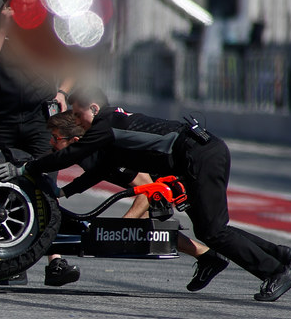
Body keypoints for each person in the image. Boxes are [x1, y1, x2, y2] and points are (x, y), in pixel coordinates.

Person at [0, 87, 291, 302]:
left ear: (93, 108)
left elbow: (69, 156)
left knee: (213, 231)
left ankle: (274, 271)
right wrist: (64, 191)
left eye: (78, 114)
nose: (78, 122)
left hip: (199, 155)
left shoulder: (105, 124)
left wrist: (29, 169)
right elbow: (100, 169)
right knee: (211, 228)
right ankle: (278, 254)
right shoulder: (110, 127)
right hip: (195, 156)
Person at [0, 0, 80, 287]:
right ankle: (9, 259)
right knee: (4, 186)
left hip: (39, 119)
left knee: (44, 185)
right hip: (3, 118)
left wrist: (62, 93)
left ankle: (54, 260)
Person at [45, 112, 229, 291]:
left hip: (185, 173)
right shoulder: (88, 154)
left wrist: (122, 227)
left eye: (55, 138)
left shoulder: (104, 151)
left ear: (74, 140)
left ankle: (221, 257)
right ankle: (207, 256)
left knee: (213, 232)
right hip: (169, 179)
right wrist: (60, 192)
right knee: (144, 222)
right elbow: (90, 178)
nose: (50, 144)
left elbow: (147, 189)